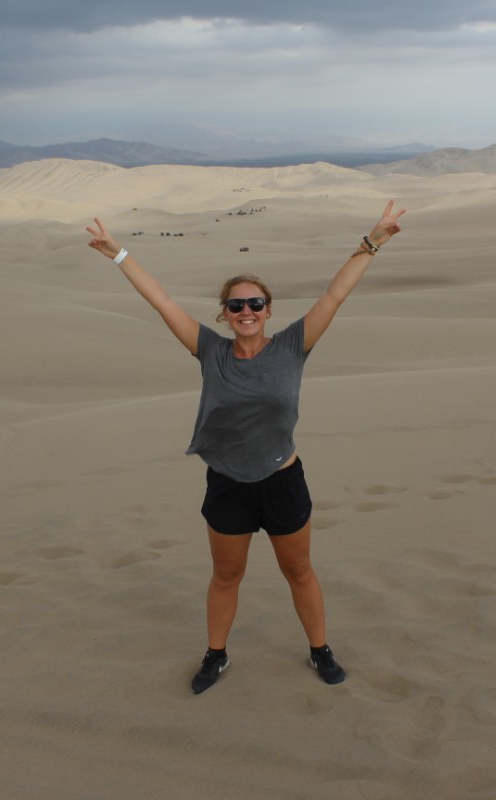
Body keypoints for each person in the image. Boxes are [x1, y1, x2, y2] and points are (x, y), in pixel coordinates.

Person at [86, 200, 405, 694]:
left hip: (282, 481)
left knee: (298, 571)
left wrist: (372, 242)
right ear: (225, 313)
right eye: (236, 305)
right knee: (226, 576)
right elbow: (164, 302)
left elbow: (334, 295)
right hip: (229, 485)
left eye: (255, 303)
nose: (246, 311)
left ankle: (320, 650)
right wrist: (119, 254)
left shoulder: (292, 347)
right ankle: (216, 655)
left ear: (268, 310)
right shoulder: (210, 350)